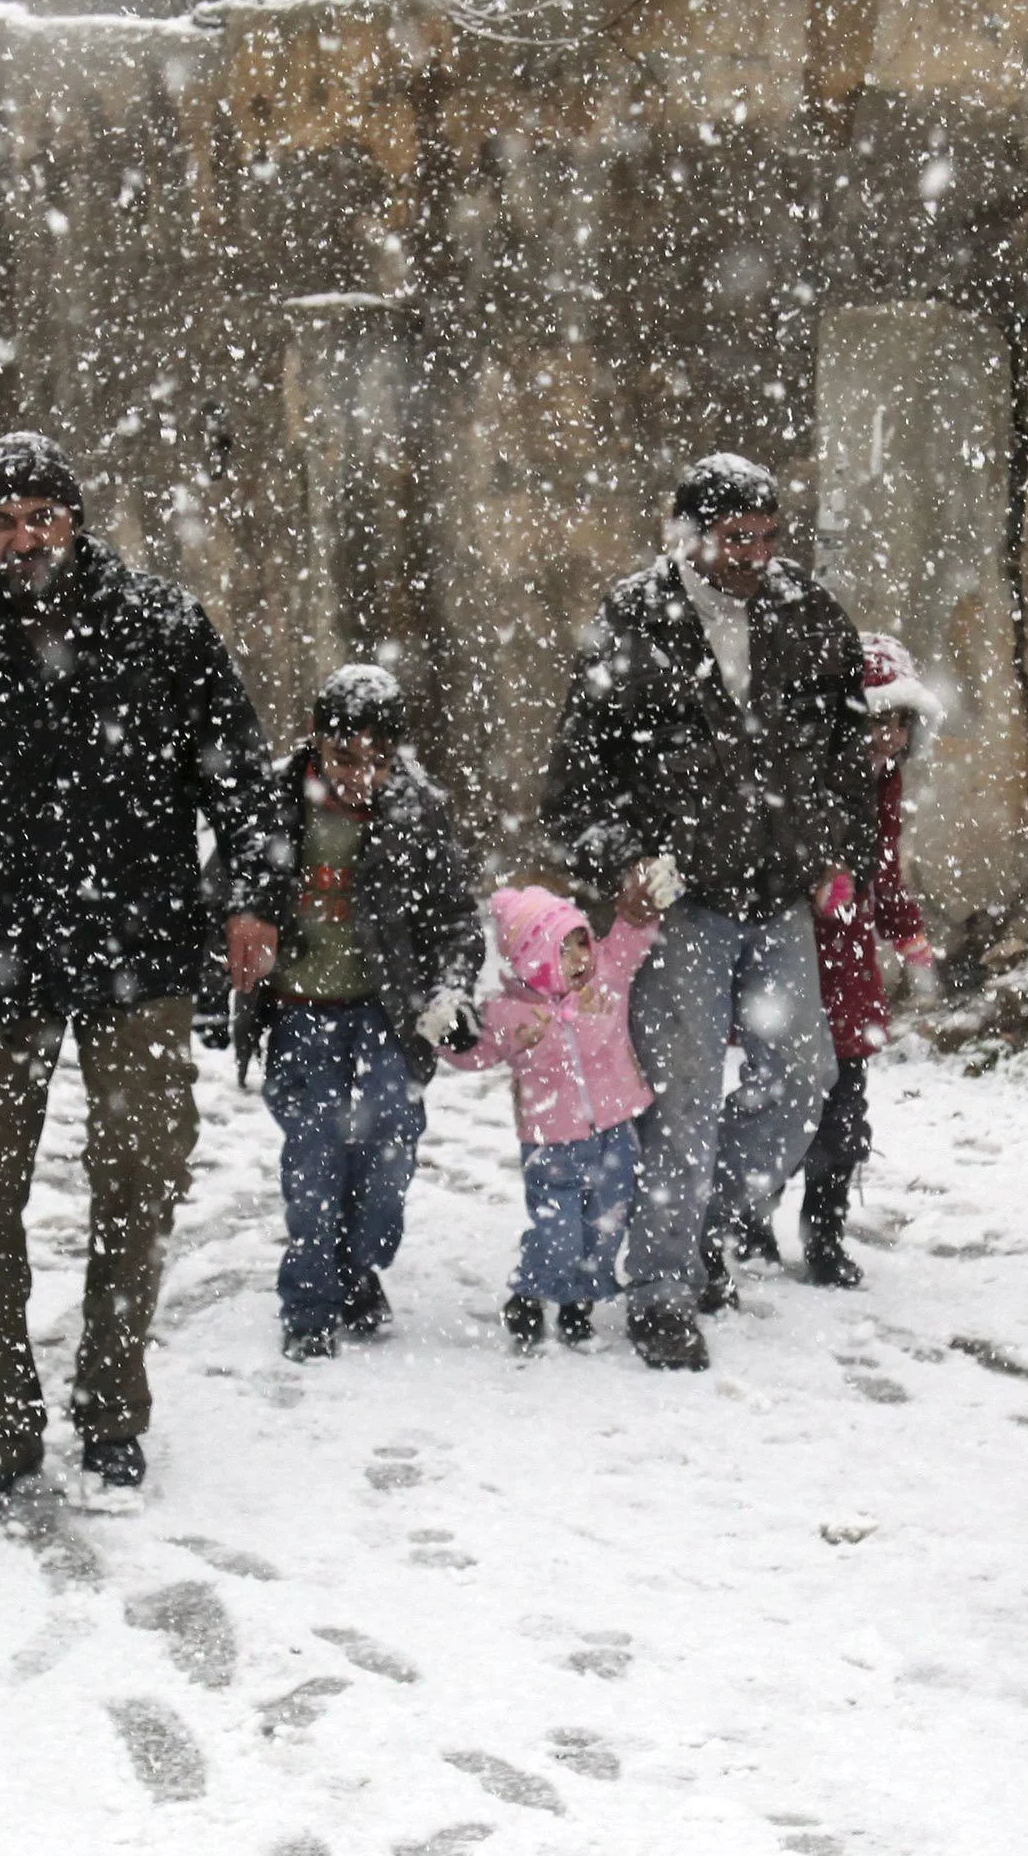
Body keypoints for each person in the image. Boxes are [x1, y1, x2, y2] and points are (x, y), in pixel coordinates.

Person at [0, 431, 279, 1501]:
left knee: (139, 1180)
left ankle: (111, 1409)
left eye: (42, 519)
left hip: (139, 948)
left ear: (76, 521)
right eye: (2, 523)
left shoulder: (162, 627)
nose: (23, 541)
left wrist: (247, 902)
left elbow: (237, 776)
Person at [542, 453, 877, 1371]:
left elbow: (851, 749)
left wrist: (828, 847)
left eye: (770, 538)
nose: (757, 555)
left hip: (777, 893)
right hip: (682, 901)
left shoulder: (807, 615)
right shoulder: (632, 620)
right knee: (680, 1100)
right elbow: (575, 785)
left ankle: (707, 1224)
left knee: (804, 1078)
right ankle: (659, 1288)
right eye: (738, 539)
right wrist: (625, 862)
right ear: (688, 535)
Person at [244, 663, 487, 1362]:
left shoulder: (419, 809)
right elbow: (231, 891)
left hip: (388, 1008)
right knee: (315, 1153)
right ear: (315, 741)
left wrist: (450, 989)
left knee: (388, 1148)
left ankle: (358, 1268)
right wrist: (236, 943)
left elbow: (455, 920)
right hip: (300, 1008)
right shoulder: (279, 801)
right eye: (345, 757)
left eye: (378, 760)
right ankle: (311, 1298)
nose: (361, 775)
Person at [742, 631, 945, 1288]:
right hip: (794, 956)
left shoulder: (884, 784)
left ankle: (823, 1232)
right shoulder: (803, 777)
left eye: (900, 725)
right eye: (877, 722)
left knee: (844, 1112)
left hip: (849, 964)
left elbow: (884, 869)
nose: (889, 740)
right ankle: (750, 1216)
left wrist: (906, 932)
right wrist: (811, 878)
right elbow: (770, 850)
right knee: (779, 1098)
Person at [450, 881, 665, 1352]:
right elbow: (475, 1054)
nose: (580, 958)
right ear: (533, 960)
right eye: (563, 950)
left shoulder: (606, 977)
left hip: (614, 1132)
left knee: (605, 1226)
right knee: (558, 1234)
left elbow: (632, 935)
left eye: (581, 943)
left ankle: (579, 1301)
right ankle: (529, 1294)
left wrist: (646, 900)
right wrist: (451, 1035)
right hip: (551, 1142)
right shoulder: (510, 1014)